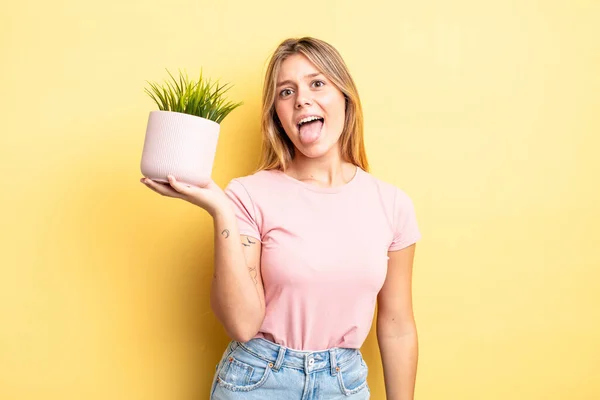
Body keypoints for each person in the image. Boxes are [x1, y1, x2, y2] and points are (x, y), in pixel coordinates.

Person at [141, 37, 421, 400]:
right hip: (257, 382)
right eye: (286, 92)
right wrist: (220, 210)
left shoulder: (392, 204)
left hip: (344, 385)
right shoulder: (248, 195)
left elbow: (397, 326)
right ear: (278, 115)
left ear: (345, 98)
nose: (302, 98)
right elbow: (242, 325)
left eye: (317, 83)